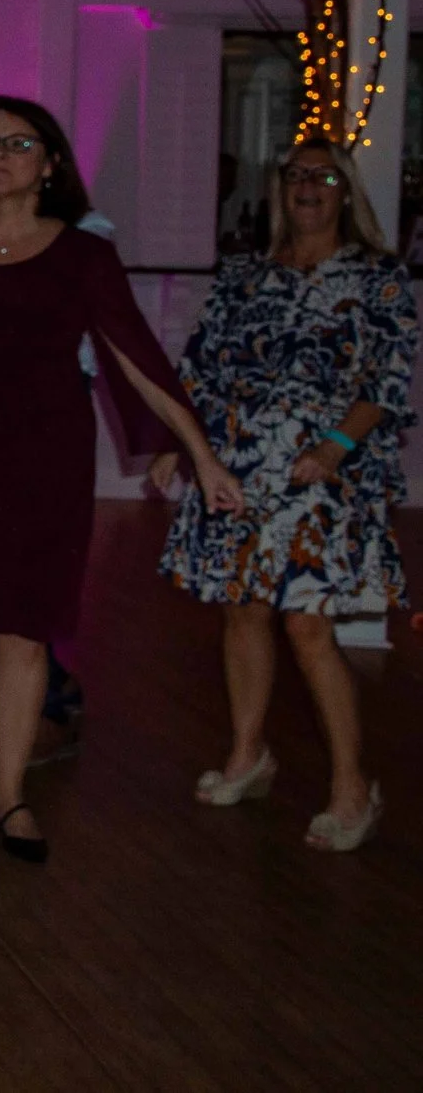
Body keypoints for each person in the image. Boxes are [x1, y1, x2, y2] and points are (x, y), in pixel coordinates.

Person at [0, 96, 244, 865]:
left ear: (51, 163)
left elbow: (136, 355)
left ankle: (9, 792)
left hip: (42, 455)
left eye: (19, 143)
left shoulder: (81, 255)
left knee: (24, 628)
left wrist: (201, 452)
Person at [154, 140, 411, 852]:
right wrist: (179, 443)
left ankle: (353, 786)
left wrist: (334, 445)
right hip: (239, 465)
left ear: (345, 193)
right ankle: (248, 753)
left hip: (323, 472)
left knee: (306, 624)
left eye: (324, 177)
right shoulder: (245, 276)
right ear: (279, 191)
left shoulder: (377, 279)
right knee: (243, 610)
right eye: (297, 176)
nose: (308, 188)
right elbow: (200, 367)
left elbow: (385, 382)